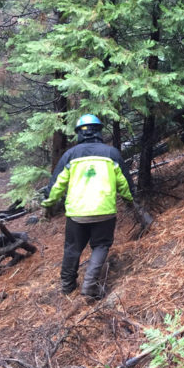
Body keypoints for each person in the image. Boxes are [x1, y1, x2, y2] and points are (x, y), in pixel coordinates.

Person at [42, 114, 136, 298]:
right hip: (104, 212)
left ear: (79, 133)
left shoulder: (70, 155)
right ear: (99, 131)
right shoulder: (111, 153)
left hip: (77, 213)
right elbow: (124, 183)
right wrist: (130, 199)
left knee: (72, 248)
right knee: (101, 246)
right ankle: (89, 287)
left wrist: (49, 202)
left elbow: (57, 184)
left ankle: (68, 287)